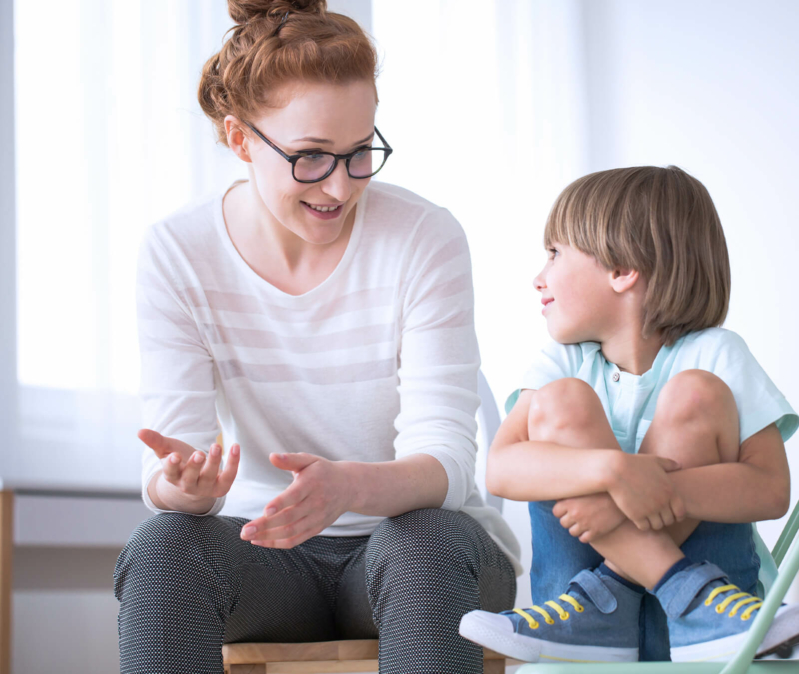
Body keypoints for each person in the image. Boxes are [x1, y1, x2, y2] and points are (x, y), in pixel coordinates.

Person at [112, 1, 520, 672]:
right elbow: (172, 463)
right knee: (164, 547)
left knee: (423, 540)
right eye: (309, 158)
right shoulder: (177, 252)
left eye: (360, 152)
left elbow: (445, 463)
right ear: (240, 137)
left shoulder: (423, 237)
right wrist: (183, 486)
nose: (339, 185)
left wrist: (349, 488)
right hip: (263, 555)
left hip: (420, 553)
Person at [459, 165, 799, 663]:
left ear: (622, 270)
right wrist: (615, 472)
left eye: (555, 254)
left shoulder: (716, 355)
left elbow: (771, 489)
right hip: (576, 625)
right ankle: (678, 589)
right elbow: (502, 469)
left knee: (695, 395)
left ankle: (648, 597)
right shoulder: (562, 363)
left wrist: (639, 497)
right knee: (563, 400)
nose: (539, 277)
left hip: (711, 632)